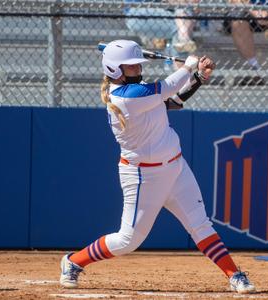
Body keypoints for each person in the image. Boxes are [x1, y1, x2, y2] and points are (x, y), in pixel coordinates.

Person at [59, 39, 256, 294]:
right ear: (114, 69)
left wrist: (197, 77)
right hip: (143, 176)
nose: (137, 70)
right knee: (128, 240)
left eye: (137, 66)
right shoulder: (124, 98)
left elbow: (173, 101)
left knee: (200, 225)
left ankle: (235, 275)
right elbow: (166, 88)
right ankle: (73, 261)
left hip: (175, 168)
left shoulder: (140, 91)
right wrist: (188, 68)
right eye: (130, 67)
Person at [124, 0, 197, 53]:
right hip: (138, 14)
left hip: (163, 12)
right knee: (184, 23)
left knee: (183, 19)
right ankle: (184, 38)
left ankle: (183, 40)